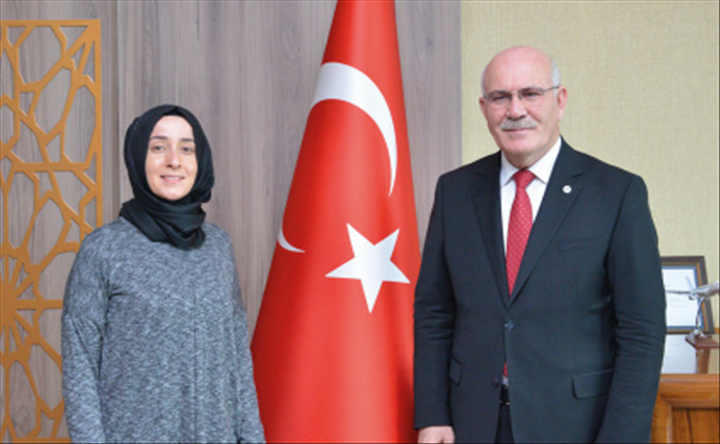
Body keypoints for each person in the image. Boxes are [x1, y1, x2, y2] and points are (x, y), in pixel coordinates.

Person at [414, 46, 666, 443]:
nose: (515, 110)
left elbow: (642, 330)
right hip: (471, 423)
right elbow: (434, 311)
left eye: (530, 93)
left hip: (576, 426)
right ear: (484, 108)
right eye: (500, 97)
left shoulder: (616, 193)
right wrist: (433, 415)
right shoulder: (454, 192)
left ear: (559, 100)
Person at [61, 105, 265, 443]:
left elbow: (238, 360)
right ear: (138, 158)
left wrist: (253, 438)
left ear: (200, 161)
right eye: (158, 147)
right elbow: (79, 369)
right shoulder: (103, 250)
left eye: (186, 148)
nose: (174, 160)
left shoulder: (219, 247)